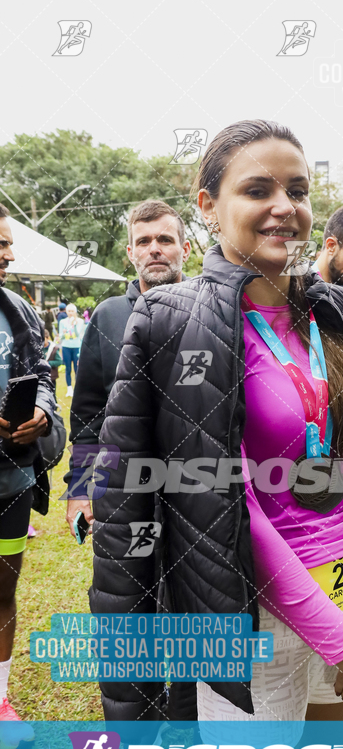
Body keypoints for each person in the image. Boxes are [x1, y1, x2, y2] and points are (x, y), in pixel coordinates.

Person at [90, 120, 343, 749]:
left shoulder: (341, 312)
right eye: (257, 189)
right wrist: (338, 640)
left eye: (298, 190)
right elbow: (218, 497)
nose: (284, 206)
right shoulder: (170, 321)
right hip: (249, 623)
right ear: (207, 206)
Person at [63, 200, 192, 722]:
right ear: (130, 252)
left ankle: (189, 719)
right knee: (124, 602)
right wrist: (79, 487)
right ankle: (136, 722)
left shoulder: (212, 308)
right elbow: (89, 411)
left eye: (164, 239)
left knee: (191, 600)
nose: (155, 250)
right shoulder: (109, 317)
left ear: (185, 247)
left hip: (195, 486)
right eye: (144, 241)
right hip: (122, 489)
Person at [0, 204, 55, 747]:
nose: (10, 255)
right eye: (0, 244)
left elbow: (41, 372)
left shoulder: (16, 308)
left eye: (8, 243)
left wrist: (40, 408)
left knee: (2, 592)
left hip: (9, 481)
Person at [57, 304, 85, 396]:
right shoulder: (62, 322)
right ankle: (69, 388)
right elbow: (60, 336)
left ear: (75, 312)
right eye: (69, 311)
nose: (70, 313)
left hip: (76, 346)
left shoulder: (80, 321)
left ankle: (78, 388)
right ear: (66, 312)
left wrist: (74, 325)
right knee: (68, 368)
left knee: (77, 369)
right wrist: (63, 333)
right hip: (66, 347)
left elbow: (77, 335)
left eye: (72, 311)